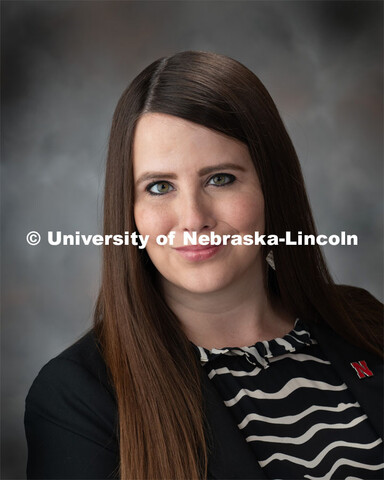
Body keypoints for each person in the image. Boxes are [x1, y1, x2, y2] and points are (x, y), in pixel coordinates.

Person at [24, 51, 383, 480]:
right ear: (130, 210)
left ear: (271, 183)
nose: (193, 219)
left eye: (220, 179)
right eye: (159, 187)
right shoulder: (76, 396)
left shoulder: (365, 323)